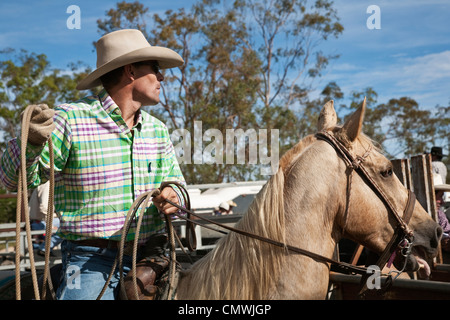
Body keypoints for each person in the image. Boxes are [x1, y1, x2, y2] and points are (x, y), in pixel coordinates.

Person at [0, 29, 186, 300]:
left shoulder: (157, 130)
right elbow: (13, 182)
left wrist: (174, 197)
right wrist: (31, 144)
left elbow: (178, 186)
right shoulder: (71, 120)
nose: (162, 76)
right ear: (131, 71)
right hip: (91, 261)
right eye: (155, 69)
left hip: (153, 256)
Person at [29, 181, 63, 256]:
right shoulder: (47, 184)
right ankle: (44, 248)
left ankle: (45, 247)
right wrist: (50, 225)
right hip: (41, 221)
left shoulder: (45, 183)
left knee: (68, 225)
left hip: (40, 220)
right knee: (68, 226)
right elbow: (44, 208)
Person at [433, 174, 450, 253]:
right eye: (440, 196)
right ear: (431, 195)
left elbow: (447, 232)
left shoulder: (440, 215)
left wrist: (447, 241)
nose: (442, 202)